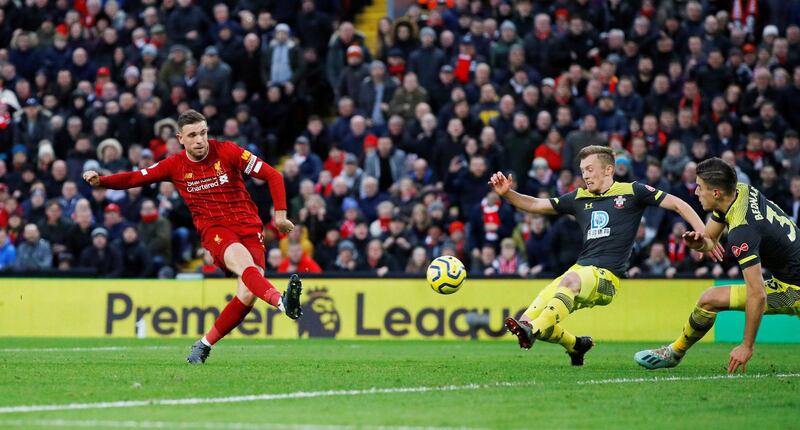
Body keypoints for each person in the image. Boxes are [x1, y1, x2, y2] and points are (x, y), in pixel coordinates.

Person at [83, 110, 303, 364]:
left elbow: (272, 175)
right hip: (216, 230)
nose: (200, 140)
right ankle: (283, 303)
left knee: (247, 294)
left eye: (203, 133)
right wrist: (102, 181)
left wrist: (280, 216)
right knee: (246, 267)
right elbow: (135, 178)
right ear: (180, 138)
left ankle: (203, 345)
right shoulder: (174, 165)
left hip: (249, 226)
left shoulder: (228, 151)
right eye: (193, 135)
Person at [488, 145, 719, 366]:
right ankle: (575, 345)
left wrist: (706, 235)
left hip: (607, 277)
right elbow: (537, 205)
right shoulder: (579, 198)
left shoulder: (633, 191)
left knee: (550, 306)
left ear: (608, 169)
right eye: (582, 171)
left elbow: (679, 204)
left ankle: (533, 331)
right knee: (530, 317)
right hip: (580, 271)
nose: (585, 176)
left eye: (589, 169)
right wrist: (507, 193)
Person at [635, 158, 800, 373]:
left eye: (699, 188)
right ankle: (674, 352)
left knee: (716, 298)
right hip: (787, 278)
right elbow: (709, 240)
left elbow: (757, 294)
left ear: (716, 193)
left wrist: (746, 346)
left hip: (795, 291)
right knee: (709, 299)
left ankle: (675, 353)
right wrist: (699, 243)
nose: (695, 193)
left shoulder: (743, 230)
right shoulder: (740, 191)